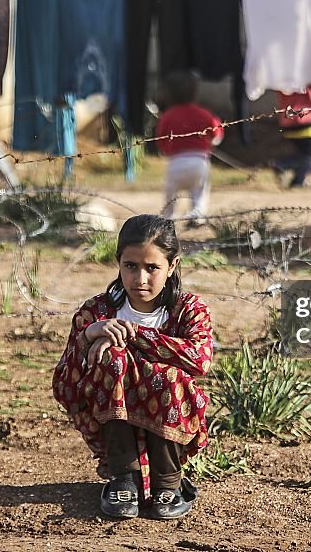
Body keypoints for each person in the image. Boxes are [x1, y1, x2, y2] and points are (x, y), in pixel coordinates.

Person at [51, 214, 213, 521]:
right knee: (111, 360)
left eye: (153, 268)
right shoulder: (97, 311)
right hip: (112, 418)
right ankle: (124, 478)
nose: (140, 279)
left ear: (172, 266)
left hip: (169, 421)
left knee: (168, 376)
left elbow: (199, 359)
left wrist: (133, 334)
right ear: (119, 262)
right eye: (131, 266)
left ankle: (169, 482)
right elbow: (64, 382)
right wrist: (88, 337)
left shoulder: (188, 309)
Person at [154, 71, 224, 226]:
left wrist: (166, 150)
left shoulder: (168, 115)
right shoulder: (204, 113)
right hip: (199, 161)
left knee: (170, 195)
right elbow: (217, 135)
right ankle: (197, 216)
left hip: (176, 163)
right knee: (199, 193)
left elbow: (160, 138)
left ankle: (168, 219)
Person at [270, 85, 311, 188]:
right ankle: (282, 165)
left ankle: (299, 181)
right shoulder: (307, 78)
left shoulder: (282, 79)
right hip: (305, 121)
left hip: (287, 122)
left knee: (304, 153)